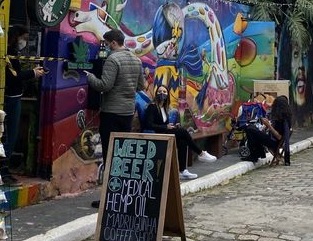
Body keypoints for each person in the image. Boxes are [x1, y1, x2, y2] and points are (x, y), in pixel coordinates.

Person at [87, 29, 145, 207]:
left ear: (113, 43)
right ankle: (122, 196)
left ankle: (108, 198)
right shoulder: (136, 59)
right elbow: (141, 85)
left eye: (106, 44)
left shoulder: (113, 59)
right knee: (122, 154)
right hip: (127, 113)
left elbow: (105, 85)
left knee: (109, 155)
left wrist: (90, 77)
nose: (105, 47)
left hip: (111, 112)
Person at [2, 25, 46, 184]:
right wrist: (33, 73)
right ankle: (3, 170)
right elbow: (15, 76)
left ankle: (5, 169)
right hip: (11, 98)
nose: (25, 42)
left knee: (10, 134)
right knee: (9, 135)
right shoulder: (9, 53)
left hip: (14, 96)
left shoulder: (12, 52)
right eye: (24, 39)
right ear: (17, 37)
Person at [143, 85, 216, 180]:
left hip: (165, 133)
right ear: (156, 93)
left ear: (167, 95)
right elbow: (149, 124)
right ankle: (201, 153)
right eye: (159, 91)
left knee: (182, 140)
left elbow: (163, 123)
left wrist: (171, 126)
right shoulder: (152, 107)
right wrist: (166, 126)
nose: (162, 93)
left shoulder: (164, 108)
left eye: (164, 92)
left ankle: (183, 171)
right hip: (158, 135)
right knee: (183, 132)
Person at [245, 95, 292, 165]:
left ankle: (256, 154)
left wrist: (268, 125)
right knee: (251, 127)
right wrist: (266, 126)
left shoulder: (284, 120)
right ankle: (257, 153)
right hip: (271, 138)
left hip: (274, 142)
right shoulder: (281, 117)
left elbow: (279, 137)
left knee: (250, 129)